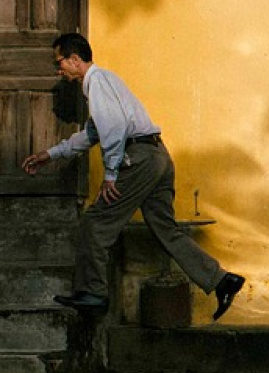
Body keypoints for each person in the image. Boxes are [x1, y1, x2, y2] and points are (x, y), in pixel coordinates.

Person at [21, 33, 244, 320]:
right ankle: (222, 280)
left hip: (139, 158)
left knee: (95, 221)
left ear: (75, 60)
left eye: (60, 61)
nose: (58, 68)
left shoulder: (98, 81)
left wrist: (111, 174)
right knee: (166, 229)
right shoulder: (104, 82)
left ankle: (93, 292)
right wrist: (50, 154)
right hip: (157, 156)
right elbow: (92, 134)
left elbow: (114, 128)